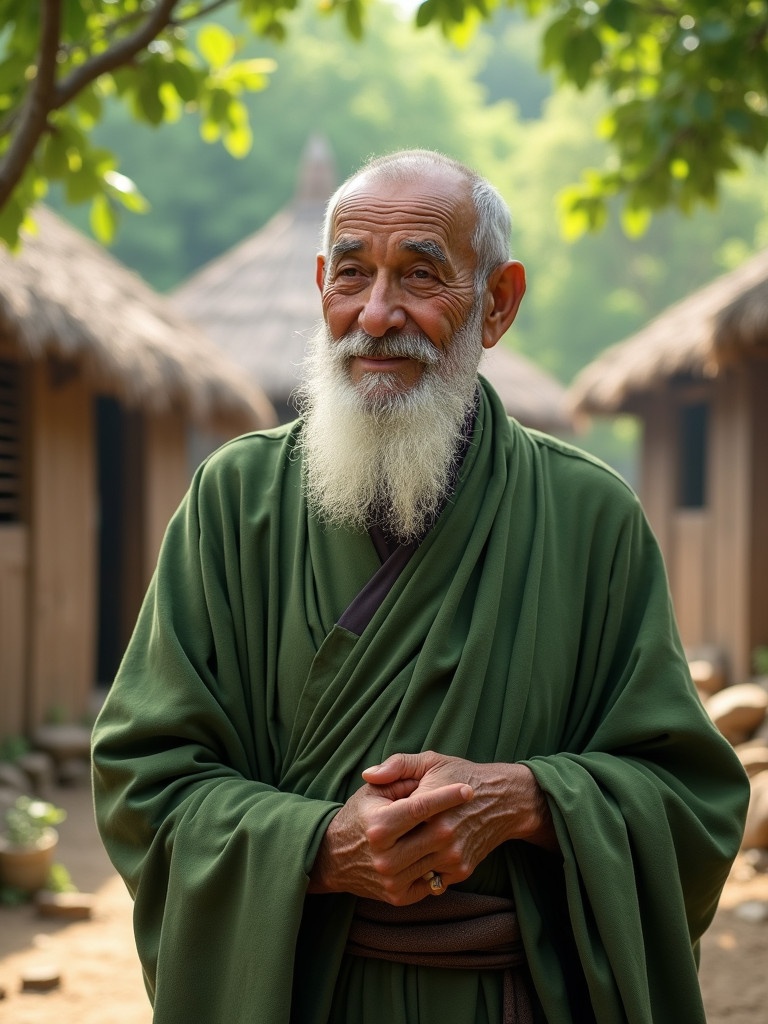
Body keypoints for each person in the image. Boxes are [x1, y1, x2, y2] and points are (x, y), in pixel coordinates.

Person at [91, 149, 749, 1024]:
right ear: (321, 284)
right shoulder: (233, 503)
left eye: (420, 276)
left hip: (513, 999)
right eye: (353, 275)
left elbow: (689, 801)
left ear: (498, 303)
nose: (376, 313)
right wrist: (319, 849)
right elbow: (143, 777)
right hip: (299, 993)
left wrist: (528, 800)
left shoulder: (591, 516)